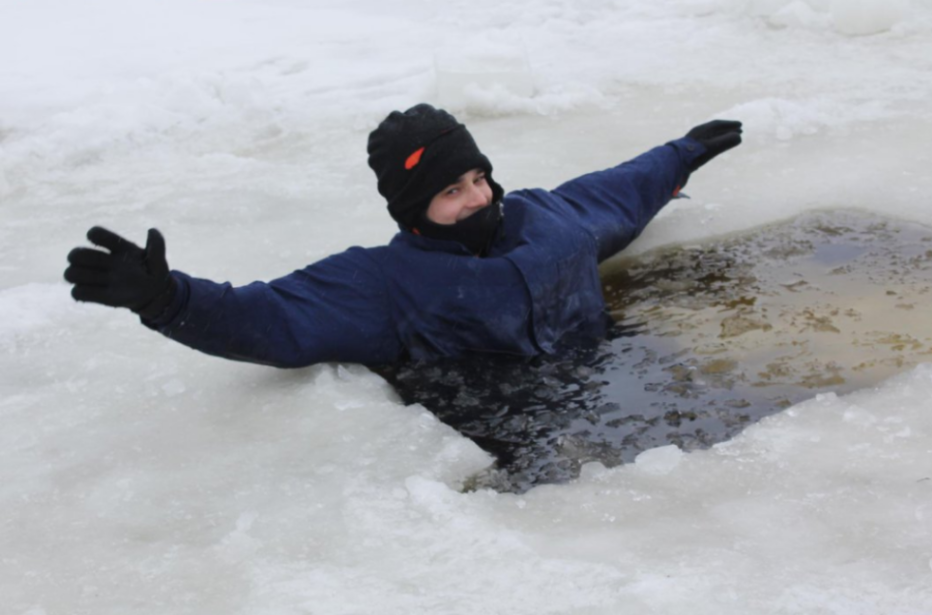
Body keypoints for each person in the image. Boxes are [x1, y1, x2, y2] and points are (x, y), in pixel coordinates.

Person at [64, 104, 742, 368]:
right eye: (451, 191)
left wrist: (680, 154)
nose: (477, 198)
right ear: (413, 211)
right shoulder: (382, 283)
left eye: (478, 178)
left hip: (613, 370)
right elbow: (268, 317)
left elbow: (615, 195)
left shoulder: (547, 219)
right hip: (518, 422)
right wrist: (166, 299)